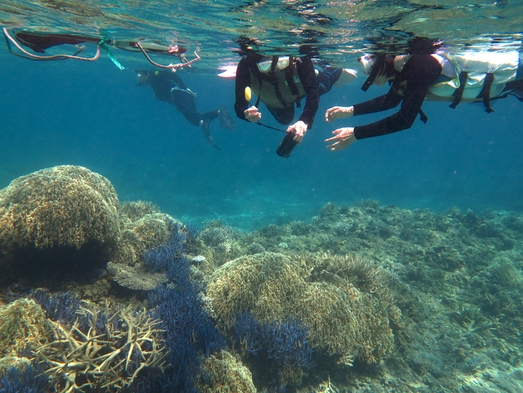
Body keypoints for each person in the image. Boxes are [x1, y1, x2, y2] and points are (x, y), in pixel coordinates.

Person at [324, 38, 523, 151]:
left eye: (370, 71)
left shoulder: (420, 65)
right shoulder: (405, 69)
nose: (371, 79)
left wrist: (356, 134)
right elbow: (392, 100)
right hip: (512, 83)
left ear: (380, 64)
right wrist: (350, 110)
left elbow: (405, 119)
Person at [234, 39, 356, 157]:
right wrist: (245, 114)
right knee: (285, 120)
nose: (273, 71)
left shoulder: (299, 58)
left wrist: (304, 121)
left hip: (300, 87)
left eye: (281, 64)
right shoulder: (246, 64)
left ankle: (332, 69)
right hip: (275, 99)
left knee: (324, 84)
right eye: (264, 65)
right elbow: (239, 104)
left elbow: (312, 91)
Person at [136, 69, 235, 149]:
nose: (138, 79)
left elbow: (172, 75)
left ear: (146, 74)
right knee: (195, 120)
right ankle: (218, 112)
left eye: (139, 75)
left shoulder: (157, 75)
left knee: (196, 119)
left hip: (180, 97)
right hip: (180, 100)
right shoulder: (154, 83)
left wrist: (185, 88)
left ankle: (209, 119)